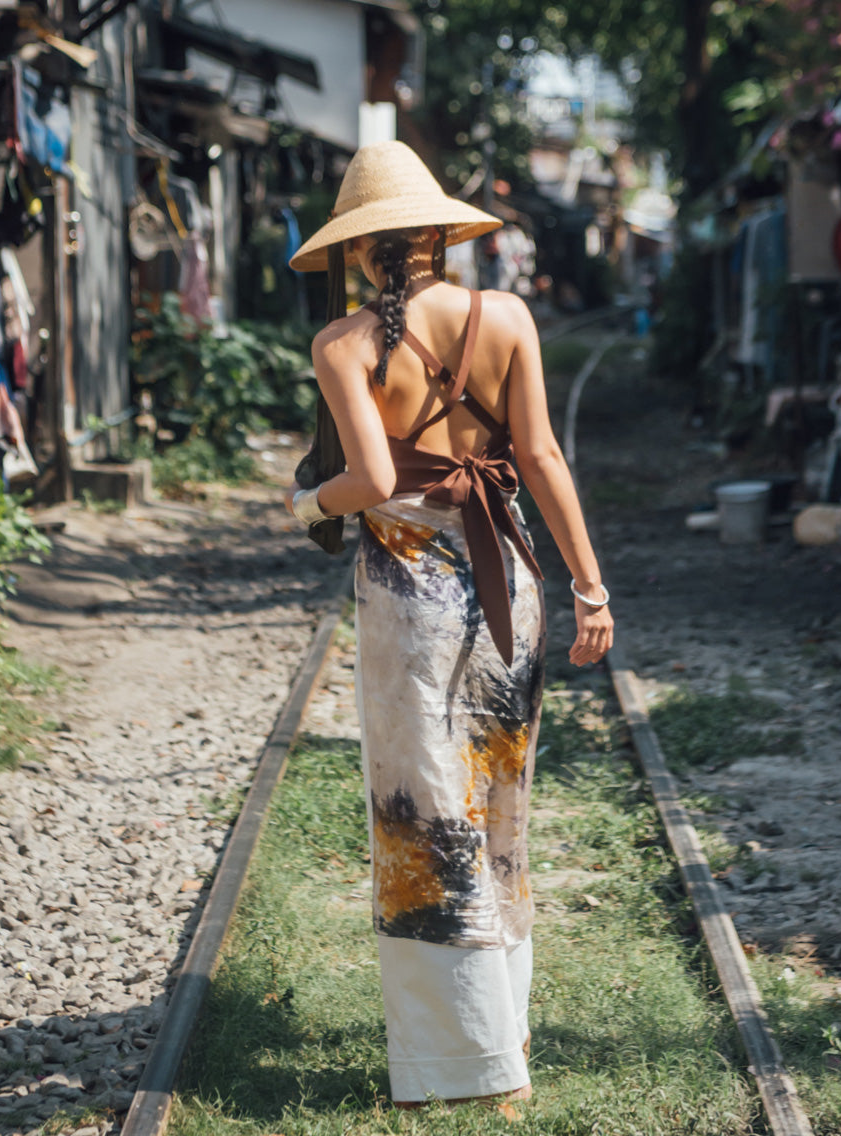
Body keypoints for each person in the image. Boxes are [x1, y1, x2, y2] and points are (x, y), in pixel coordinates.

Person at [284, 140, 613, 1109]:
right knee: (497, 804)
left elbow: (372, 483)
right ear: (436, 234)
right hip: (506, 580)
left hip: (408, 598)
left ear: (358, 250)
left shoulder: (341, 344)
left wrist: (303, 508)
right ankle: (501, 1042)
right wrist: (590, 589)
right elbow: (542, 456)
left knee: (422, 813)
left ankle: (452, 1065)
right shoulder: (504, 315)